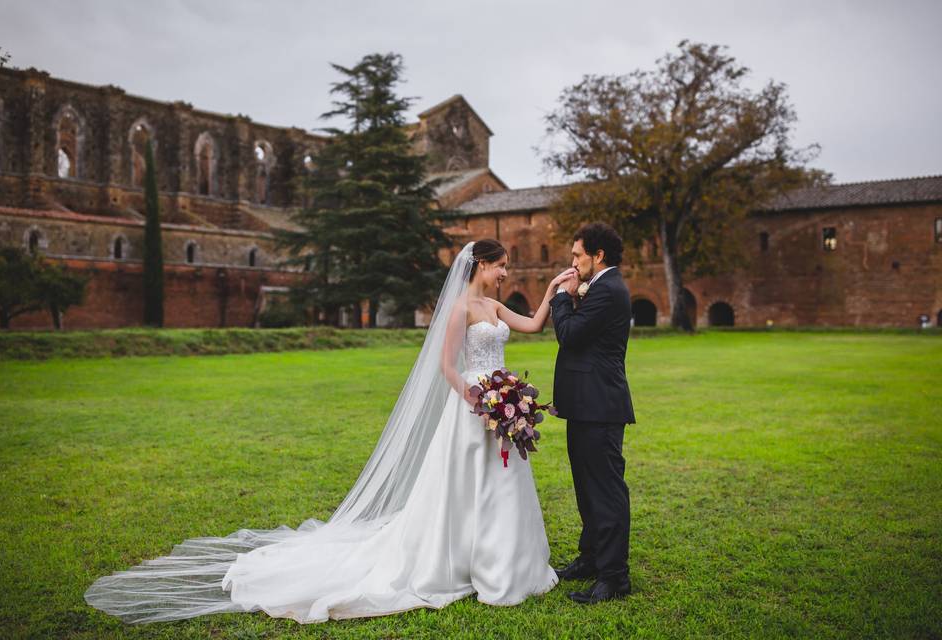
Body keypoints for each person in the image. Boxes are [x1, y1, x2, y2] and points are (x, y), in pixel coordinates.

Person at [84, 239, 576, 625]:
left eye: (507, 266)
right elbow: (447, 366)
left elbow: (533, 325)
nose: (506, 273)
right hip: (472, 405)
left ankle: (503, 564)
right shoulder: (460, 310)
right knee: (463, 486)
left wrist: (554, 292)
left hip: (500, 400)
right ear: (480, 267)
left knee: (501, 485)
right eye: (501, 266)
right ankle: (459, 561)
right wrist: (471, 396)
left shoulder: (494, 309)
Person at [549, 222, 637, 604]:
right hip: (584, 405)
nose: (573, 262)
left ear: (597, 256)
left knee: (605, 491)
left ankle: (614, 576)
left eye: (577, 255)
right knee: (586, 488)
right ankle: (590, 558)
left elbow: (569, 334)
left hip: (600, 406)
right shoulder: (601, 287)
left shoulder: (610, 290)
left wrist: (561, 297)